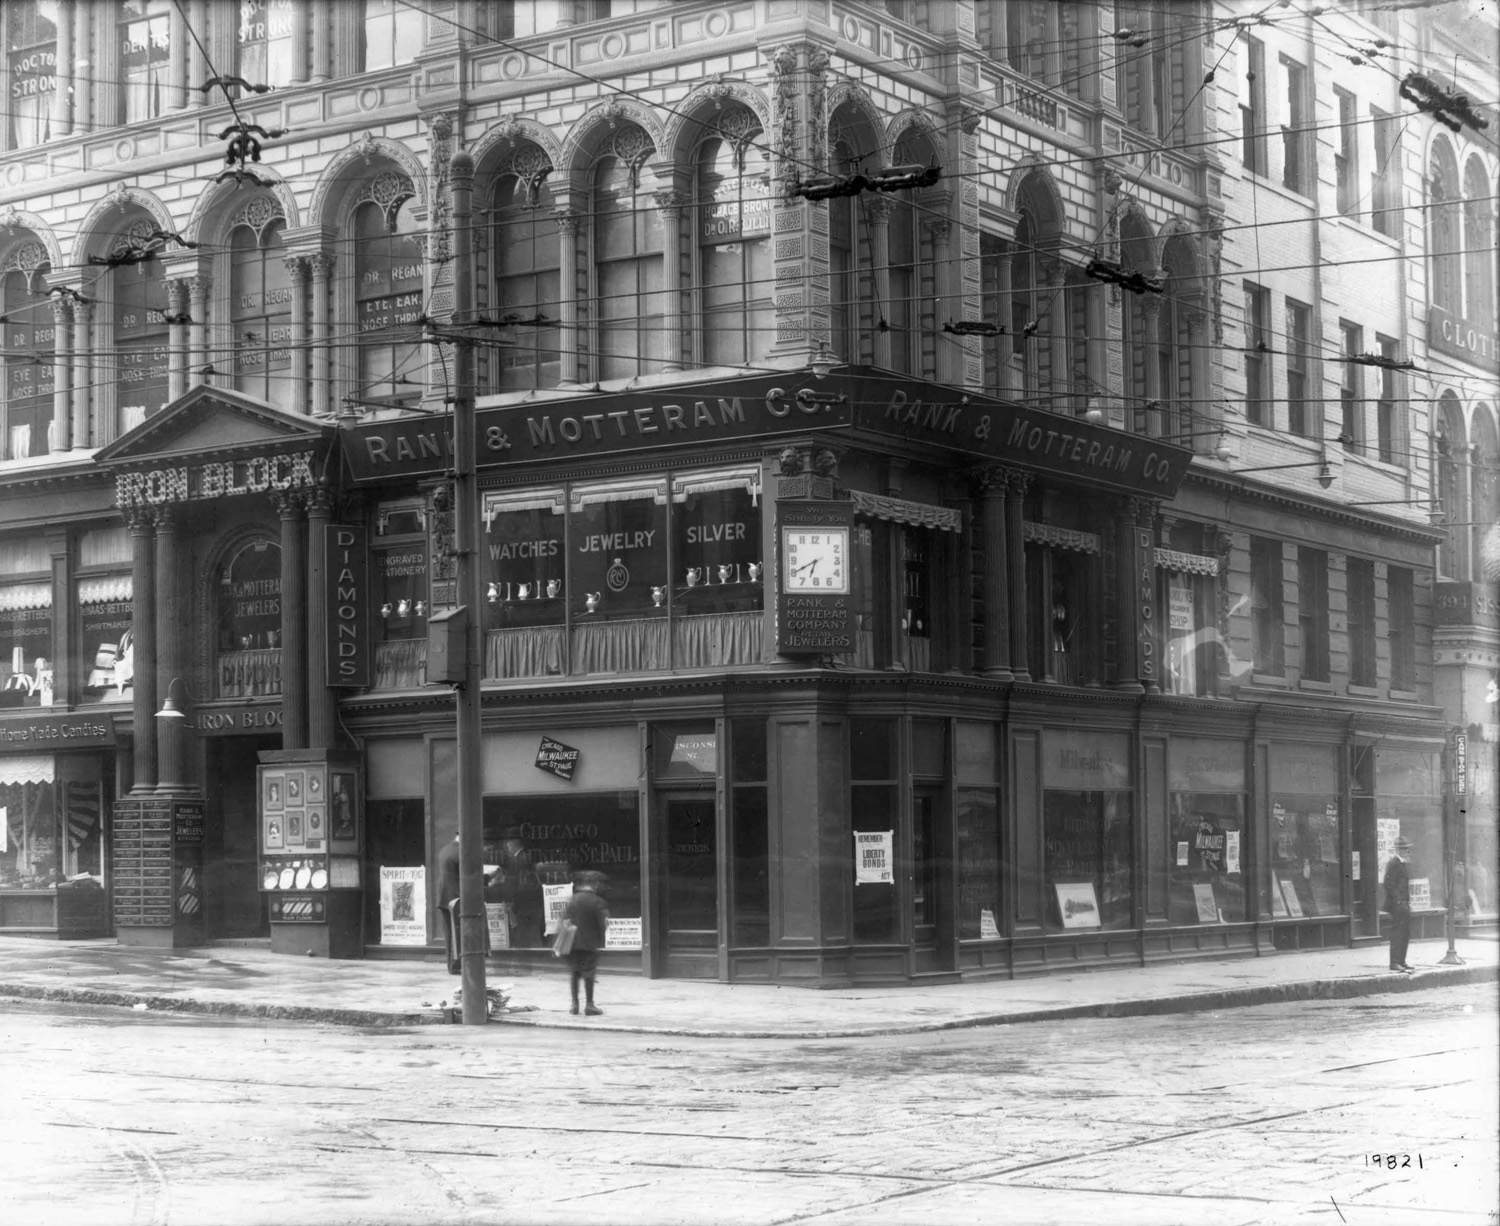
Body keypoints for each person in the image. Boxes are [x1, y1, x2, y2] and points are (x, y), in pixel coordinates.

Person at [563, 872, 609, 1016]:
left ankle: (574, 1005)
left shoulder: (572, 900)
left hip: (573, 944)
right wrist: (600, 938)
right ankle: (589, 1005)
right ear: (594, 884)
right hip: (590, 944)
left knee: (574, 973)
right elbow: (603, 924)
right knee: (589, 973)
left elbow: (565, 922)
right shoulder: (598, 902)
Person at [1382, 836, 1414, 973]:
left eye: (1408, 849)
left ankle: (1401, 961)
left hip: (1404, 904)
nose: (1408, 852)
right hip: (1398, 905)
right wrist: (1398, 901)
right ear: (1399, 850)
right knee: (1397, 934)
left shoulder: (1402, 864)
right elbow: (1388, 883)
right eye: (1406, 849)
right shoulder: (1394, 863)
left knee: (1405, 933)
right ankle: (1394, 962)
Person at [437, 834, 461, 974]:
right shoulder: (461, 852)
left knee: (449, 933)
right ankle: (455, 966)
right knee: (457, 933)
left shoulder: (445, 849)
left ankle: (452, 965)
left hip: (444, 897)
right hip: (455, 898)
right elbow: (467, 875)